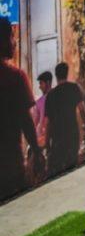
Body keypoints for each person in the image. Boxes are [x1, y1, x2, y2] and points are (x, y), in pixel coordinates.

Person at [0, 18, 41, 198]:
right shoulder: (15, 77)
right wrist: (37, 151)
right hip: (10, 166)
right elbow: (26, 121)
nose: (14, 42)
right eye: (11, 37)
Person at [43, 62, 85, 175]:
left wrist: (47, 143)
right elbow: (82, 110)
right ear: (67, 73)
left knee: (59, 169)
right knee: (72, 165)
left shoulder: (51, 95)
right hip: (72, 133)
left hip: (57, 136)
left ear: (56, 75)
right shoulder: (74, 88)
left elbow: (48, 122)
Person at [32, 70, 53, 147]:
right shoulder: (57, 97)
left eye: (41, 83)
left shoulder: (39, 101)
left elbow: (34, 123)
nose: (39, 87)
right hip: (49, 138)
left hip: (43, 139)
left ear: (48, 83)